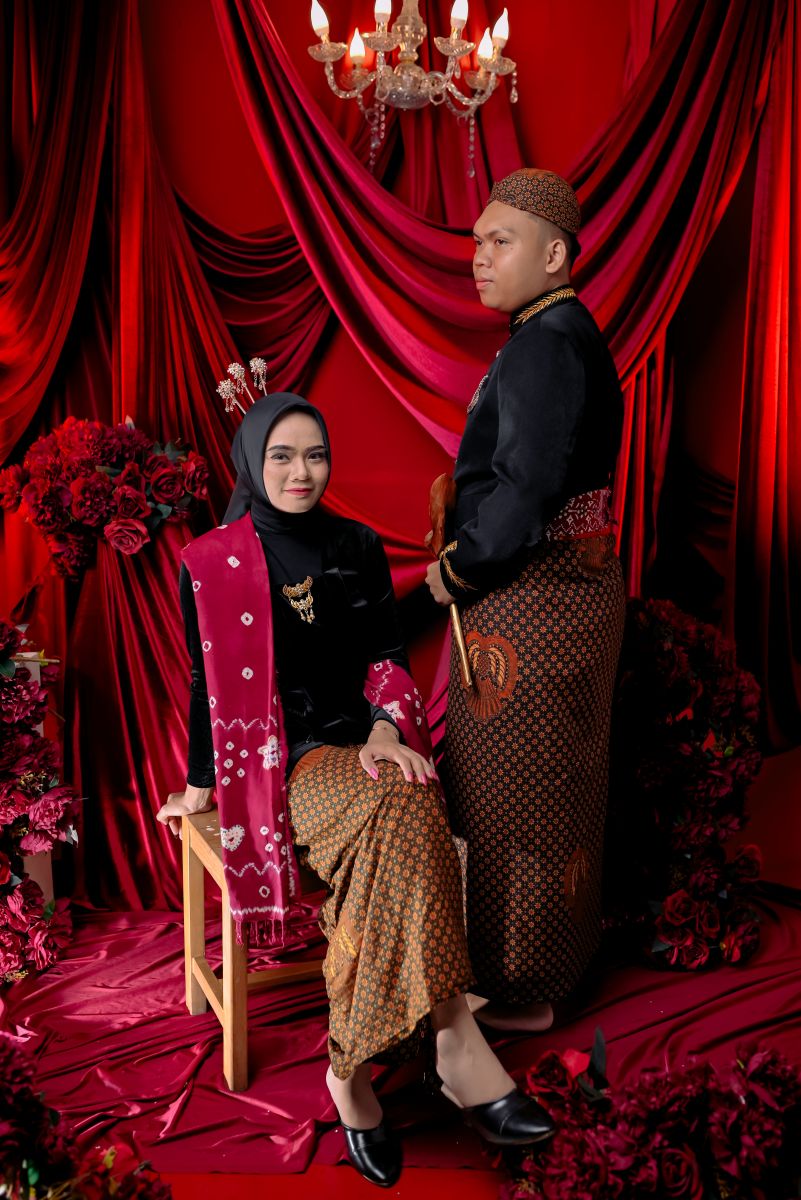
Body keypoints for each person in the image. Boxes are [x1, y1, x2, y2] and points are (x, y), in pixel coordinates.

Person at [158, 393, 554, 1188]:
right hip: (277, 765)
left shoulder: (355, 545)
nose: (300, 472)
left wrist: (383, 729)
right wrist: (201, 783)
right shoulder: (210, 561)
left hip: (359, 746)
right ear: (252, 461)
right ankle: (452, 1040)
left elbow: (385, 656)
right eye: (281, 456)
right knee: (405, 803)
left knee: (402, 797)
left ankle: (354, 1073)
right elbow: (207, 685)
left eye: (315, 455)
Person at [425, 168, 626, 1033]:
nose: (478, 258)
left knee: (518, 791)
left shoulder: (546, 341)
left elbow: (528, 489)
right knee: (550, 783)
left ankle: (523, 986)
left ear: (553, 255)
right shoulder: (556, 329)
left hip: (535, 597)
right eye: (476, 242)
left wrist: (458, 569)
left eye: (499, 242)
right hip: (564, 592)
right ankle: (545, 970)